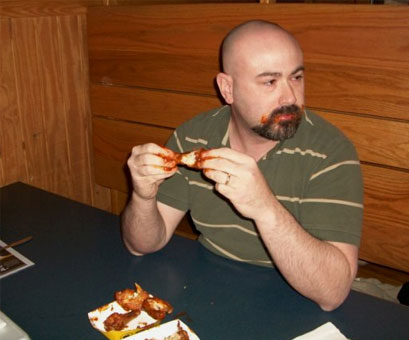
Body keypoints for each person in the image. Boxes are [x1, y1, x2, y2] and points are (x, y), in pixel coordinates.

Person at [121, 20, 364, 311]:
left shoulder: (330, 152)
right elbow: (142, 245)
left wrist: (264, 207)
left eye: (296, 78)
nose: (290, 97)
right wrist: (143, 196)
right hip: (206, 285)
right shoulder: (193, 136)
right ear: (228, 88)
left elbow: (331, 294)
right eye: (270, 82)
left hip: (295, 298)